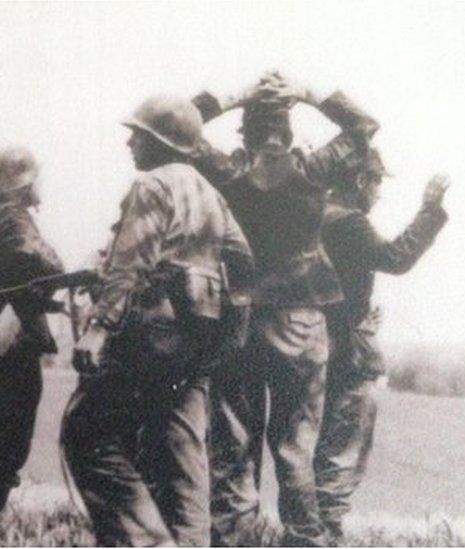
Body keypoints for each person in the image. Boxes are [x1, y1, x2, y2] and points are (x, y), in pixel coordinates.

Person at [190, 73, 380, 546]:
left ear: (246, 135)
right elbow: (364, 126)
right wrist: (308, 93)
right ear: (289, 134)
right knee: (296, 446)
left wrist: (234, 95)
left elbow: (180, 128)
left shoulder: (230, 175)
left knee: (232, 443)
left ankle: (233, 539)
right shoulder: (314, 172)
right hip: (301, 318)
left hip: (239, 317)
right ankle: (304, 539)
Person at [63, 95, 251, 546]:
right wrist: (229, 333)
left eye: (139, 134)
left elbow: (131, 263)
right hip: (198, 341)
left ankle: (148, 542)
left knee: (86, 433)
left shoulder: (152, 185)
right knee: (185, 454)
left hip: (146, 334)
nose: (130, 142)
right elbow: (243, 262)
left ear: (161, 142)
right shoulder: (211, 193)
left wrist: (98, 328)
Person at [314, 152, 449, 541]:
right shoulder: (348, 220)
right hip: (345, 349)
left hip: (313, 342)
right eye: (376, 183)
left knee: (314, 443)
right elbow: (395, 258)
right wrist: (430, 209)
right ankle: (326, 531)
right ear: (359, 181)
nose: (377, 194)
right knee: (342, 443)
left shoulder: (312, 212)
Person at [0, 146, 65, 522]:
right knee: (8, 431)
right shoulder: (13, 216)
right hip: (10, 338)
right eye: (36, 178)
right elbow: (45, 263)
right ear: (22, 182)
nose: (41, 184)